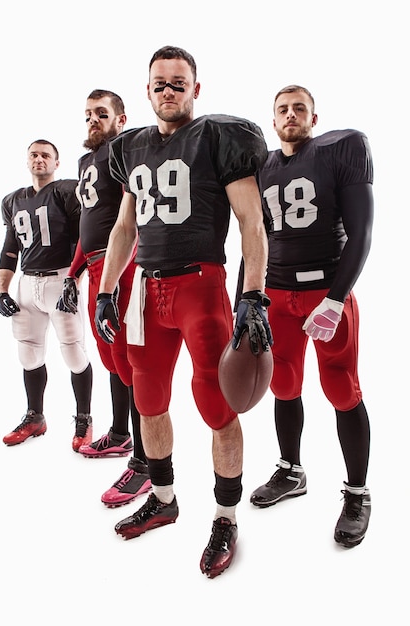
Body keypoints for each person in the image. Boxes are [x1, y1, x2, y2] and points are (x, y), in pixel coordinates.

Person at [94, 45, 272, 578]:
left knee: (216, 405)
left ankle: (225, 517)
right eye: (160, 83)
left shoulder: (220, 137)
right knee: (148, 399)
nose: (168, 90)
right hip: (147, 291)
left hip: (201, 285)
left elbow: (250, 222)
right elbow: (125, 227)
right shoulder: (130, 148)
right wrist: (107, 291)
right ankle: (165, 498)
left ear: (196, 88)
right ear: (147, 89)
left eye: (179, 82)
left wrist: (254, 292)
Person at [246, 85, 374, 548]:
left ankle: (358, 493)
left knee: (341, 386)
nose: (291, 114)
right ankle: (290, 471)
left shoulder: (341, 149)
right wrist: (250, 296)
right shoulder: (263, 166)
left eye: (299, 107)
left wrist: (338, 298)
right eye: (282, 109)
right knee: (282, 383)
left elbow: (362, 232)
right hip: (277, 293)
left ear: (314, 118)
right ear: (273, 119)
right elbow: (254, 237)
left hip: (325, 290)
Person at [56, 89, 151, 507]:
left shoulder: (128, 148)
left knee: (136, 361)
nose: (93, 120)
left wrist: (123, 269)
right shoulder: (84, 162)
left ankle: (147, 463)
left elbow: (134, 217)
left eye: (102, 113)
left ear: (121, 118)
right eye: (88, 115)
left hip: (125, 263)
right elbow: (88, 226)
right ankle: (119, 432)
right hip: (95, 266)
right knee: (112, 356)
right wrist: (73, 272)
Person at [0, 139, 94, 452]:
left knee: (73, 352)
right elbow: (10, 249)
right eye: (34, 154)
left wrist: (74, 279)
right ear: (27, 161)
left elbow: (83, 237)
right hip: (27, 283)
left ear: (56, 162)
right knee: (28, 353)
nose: (39, 159)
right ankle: (34, 416)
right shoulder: (13, 200)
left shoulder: (66, 191)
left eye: (45, 155)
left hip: (60, 278)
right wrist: (2, 289)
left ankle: (84, 418)